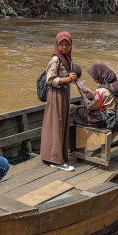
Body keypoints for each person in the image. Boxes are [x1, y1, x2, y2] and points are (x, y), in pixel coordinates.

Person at [40, 31, 77, 171]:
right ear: (57, 45)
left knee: (60, 124)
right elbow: (50, 80)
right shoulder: (56, 59)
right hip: (56, 95)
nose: (64, 47)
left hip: (63, 94)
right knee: (56, 125)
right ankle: (55, 160)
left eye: (67, 45)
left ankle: (53, 155)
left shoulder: (67, 58)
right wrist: (67, 79)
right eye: (61, 45)